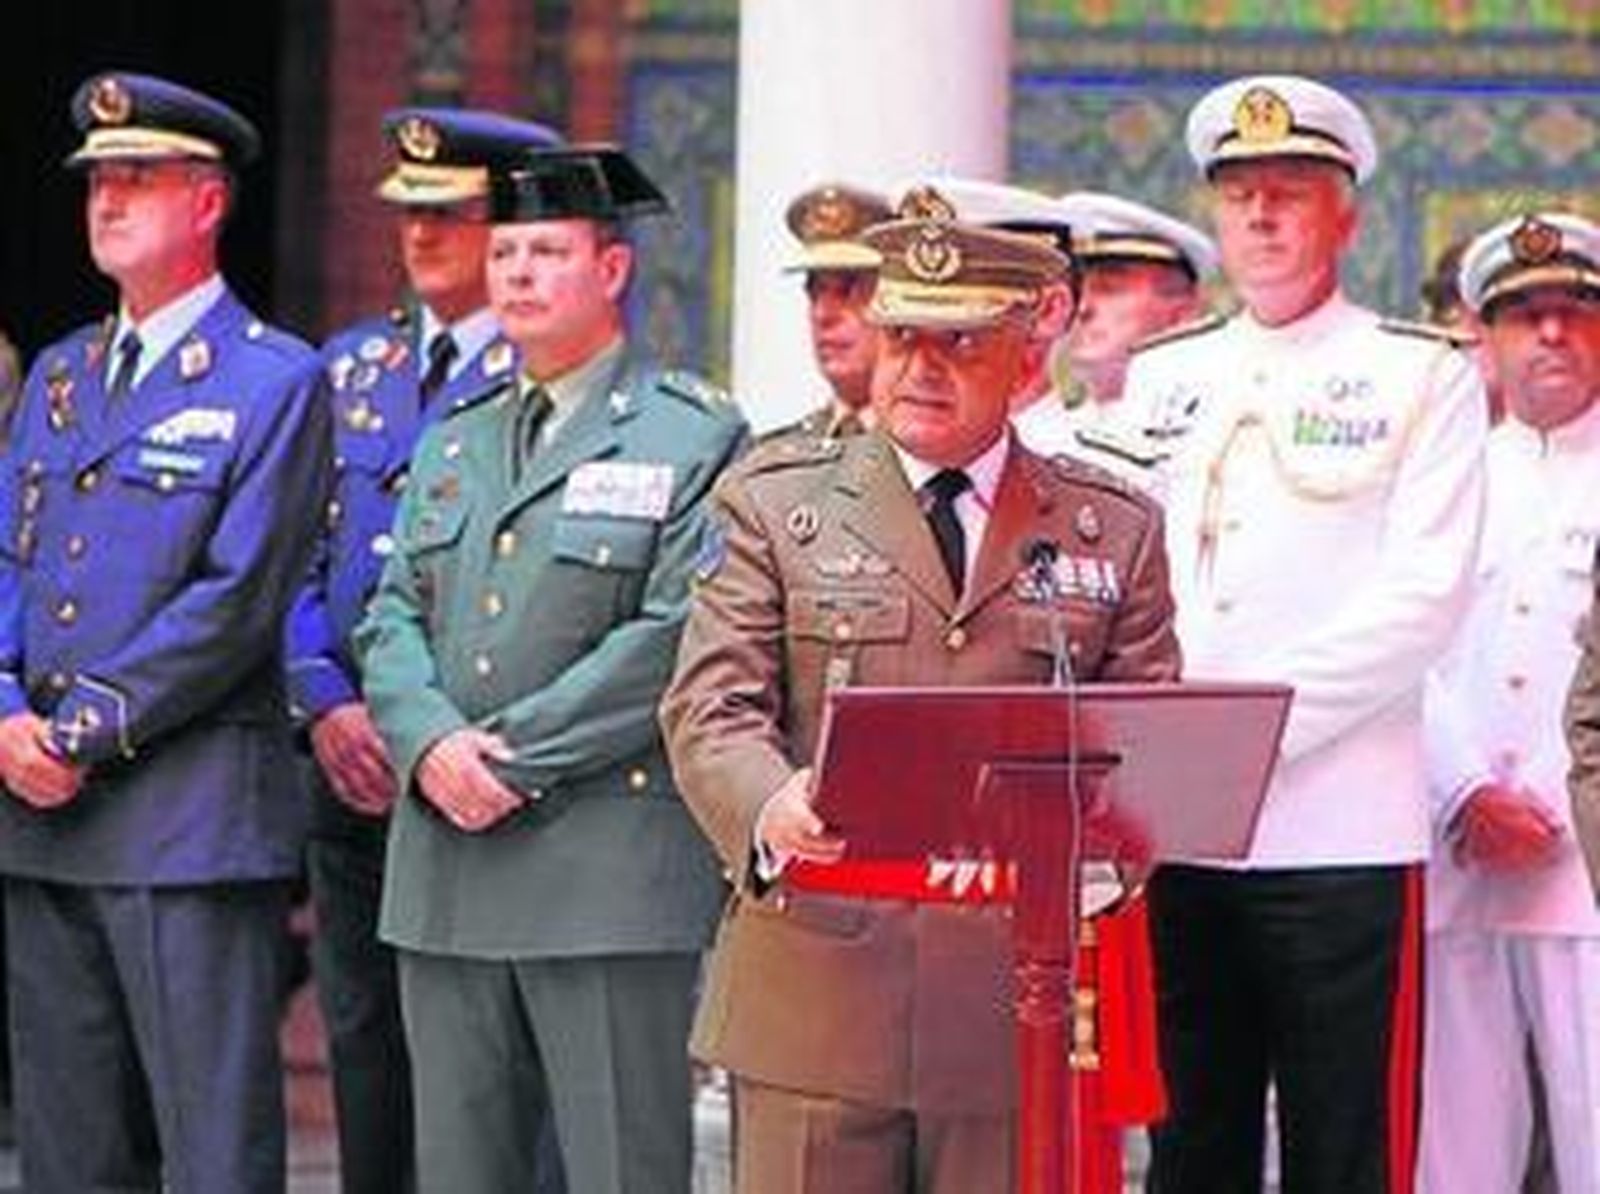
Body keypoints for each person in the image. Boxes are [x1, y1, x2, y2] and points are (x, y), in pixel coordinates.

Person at [661, 186, 1182, 1194]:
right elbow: (709, 708)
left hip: (1015, 1005)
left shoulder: (1109, 527)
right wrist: (770, 802)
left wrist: (1110, 854)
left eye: (958, 343)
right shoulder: (775, 502)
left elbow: (1151, 744)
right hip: (815, 996)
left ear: (1027, 361)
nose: (920, 368)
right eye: (902, 338)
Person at [354, 141, 748, 1194]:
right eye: (507, 251)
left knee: (623, 1166)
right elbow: (391, 614)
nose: (517, 273)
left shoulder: (690, 433)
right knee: (461, 1171)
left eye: (547, 252)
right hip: (447, 867)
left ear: (610, 270)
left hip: (603, 869)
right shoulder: (457, 438)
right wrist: (431, 745)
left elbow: (673, 632)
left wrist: (507, 760)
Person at [1122, 75, 1487, 1193]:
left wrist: (1245, 734)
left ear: (1347, 217)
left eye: (1291, 192)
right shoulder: (1161, 377)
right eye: (1239, 195)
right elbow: (1127, 582)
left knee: (1345, 1141)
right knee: (1192, 1137)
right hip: (1179, 831)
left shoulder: (1417, 373)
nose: (1263, 217)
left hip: (1338, 827)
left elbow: (1422, 600)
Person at [0, 72, 332, 1193]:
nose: (107, 199)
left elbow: (237, 600)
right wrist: (4, 716)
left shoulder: (275, 380)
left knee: (210, 1153)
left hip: (183, 821)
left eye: (137, 177)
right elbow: (7, 559)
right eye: (97, 180)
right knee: (66, 1146)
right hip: (38, 818)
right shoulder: (59, 377)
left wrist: (76, 733)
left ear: (207, 203)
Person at [285, 107, 563, 1194]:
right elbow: (290, 556)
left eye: (447, 214)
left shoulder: (548, 380)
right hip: (350, 774)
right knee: (368, 1051)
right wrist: (323, 701)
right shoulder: (347, 366)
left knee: (493, 1064)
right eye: (407, 213)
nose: (419, 235)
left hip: (477, 769)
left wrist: (426, 731)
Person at [1421, 210, 1600, 1194]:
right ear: (1481, 334)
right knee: (1455, 1158)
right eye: (1523, 315)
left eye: (1574, 312)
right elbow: (1409, 655)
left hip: (1584, 866)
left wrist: (1542, 802)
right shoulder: (1444, 476)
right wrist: (1465, 798)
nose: (1550, 335)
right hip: (1461, 857)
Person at [1044, 191, 1217, 479]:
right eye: (1078, 290)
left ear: (1182, 312)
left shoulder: (1213, 431)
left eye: (1109, 289)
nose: (1083, 308)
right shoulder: (1045, 437)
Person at [769, 182, 890, 439]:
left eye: (847, 291)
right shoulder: (777, 457)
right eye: (814, 292)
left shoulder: (931, 452)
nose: (822, 314)